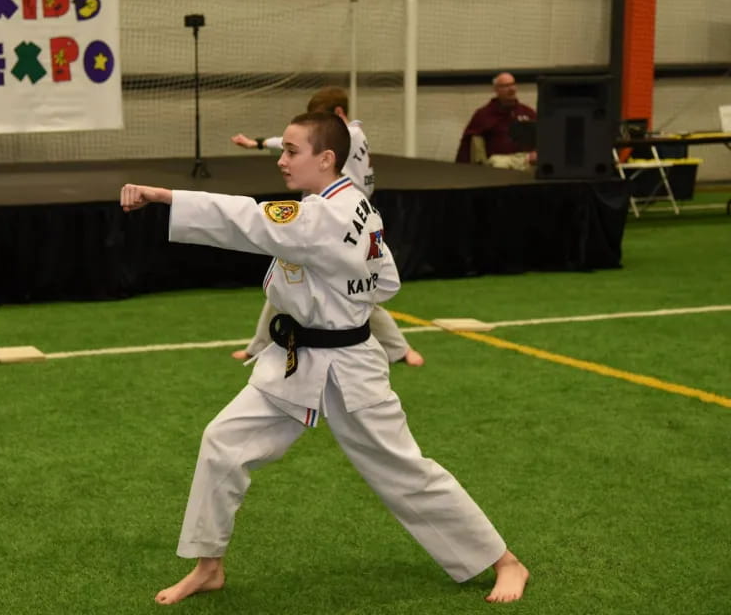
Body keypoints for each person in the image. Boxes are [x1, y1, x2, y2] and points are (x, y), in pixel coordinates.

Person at [120, 110, 529, 606]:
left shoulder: (319, 216)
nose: (283, 161)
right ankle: (209, 567)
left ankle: (506, 561)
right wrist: (340, 294)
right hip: (298, 360)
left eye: (292, 151)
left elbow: (246, 219)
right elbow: (388, 280)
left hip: (350, 367)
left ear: (326, 157)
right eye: (282, 150)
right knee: (223, 443)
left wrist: (163, 196)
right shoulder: (354, 201)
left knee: (404, 471)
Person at [230, 86, 424, 367]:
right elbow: (298, 143)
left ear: (339, 114)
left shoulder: (351, 134)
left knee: (358, 294)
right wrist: (257, 143)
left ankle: (400, 349)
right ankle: (258, 345)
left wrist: (261, 143)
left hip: (346, 224)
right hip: (320, 220)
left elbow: (305, 143)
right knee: (287, 280)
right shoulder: (350, 135)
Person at [455, 72, 537, 170]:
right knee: (497, 162)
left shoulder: (527, 112)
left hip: (524, 160)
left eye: (513, 84)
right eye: (506, 86)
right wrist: (460, 169)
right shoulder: (484, 114)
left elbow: (543, 137)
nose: (511, 89)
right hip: (498, 163)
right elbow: (467, 143)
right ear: (496, 90)